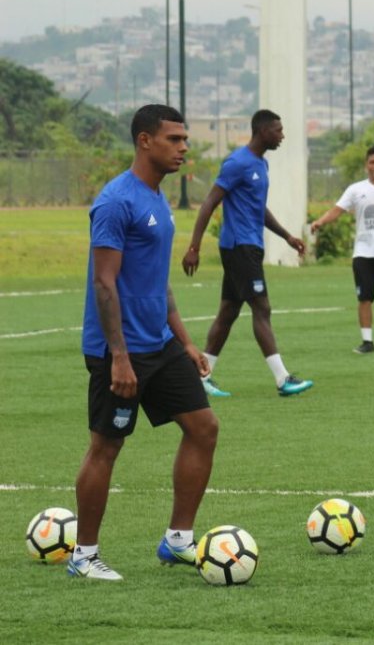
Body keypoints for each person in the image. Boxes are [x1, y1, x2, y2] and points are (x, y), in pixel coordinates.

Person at [72, 104, 220, 580]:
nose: (184, 148)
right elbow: (104, 282)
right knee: (107, 446)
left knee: (204, 427)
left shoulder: (158, 200)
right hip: (120, 350)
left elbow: (158, 281)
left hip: (160, 343)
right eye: (174, 139)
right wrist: (118, 356)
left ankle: (177, 540)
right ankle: (84, 555)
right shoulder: (116, 201)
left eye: (185, 139)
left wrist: (186, 342)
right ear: (144, 141)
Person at [181, 109, 313, 397]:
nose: (282, 135)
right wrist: (194, 247)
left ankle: (202, 377)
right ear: (263, 131)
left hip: (249, 245)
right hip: (239, 246)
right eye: (278, 130)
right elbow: (209, 203)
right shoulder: (237, 163)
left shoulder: (261, 164)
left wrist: (287, 236)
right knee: (262, 308)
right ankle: (283, 379)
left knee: (228, 312)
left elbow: (257, 208)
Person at [311, 146, 374, 354]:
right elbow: (337, 210)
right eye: (372, 162)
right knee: (364, 297)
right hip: (363, 252)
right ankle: (367, 341)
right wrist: (320, 221)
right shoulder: (355, 189)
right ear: (366, 165)